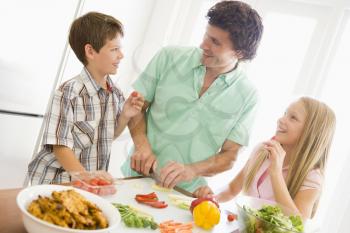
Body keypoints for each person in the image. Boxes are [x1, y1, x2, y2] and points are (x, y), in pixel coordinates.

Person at [121, 0, 264, 192]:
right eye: (207, 35)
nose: (203, 45)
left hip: (185, 196)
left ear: (239, 52)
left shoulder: (247, 96)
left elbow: (230, 155)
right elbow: (136, 108)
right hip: (135, 178)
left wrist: (192, 170)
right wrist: (141, 145)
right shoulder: (168, 57)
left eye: (215, 42)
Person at [25, 12, 144, 185]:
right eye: (114, 49)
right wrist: (86, 177)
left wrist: (125, 115)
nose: (121, 55)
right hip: (58, 181)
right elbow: (60, 146)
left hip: (87, 184)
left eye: (120, 49)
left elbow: (108, 136)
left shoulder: (115, 93)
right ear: (90, 51)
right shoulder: (69, 92)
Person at [194, 97, 336, 219]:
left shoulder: (312, 177)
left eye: (293, 117)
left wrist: (276, 172)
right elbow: (232, 189)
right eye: (285, 113)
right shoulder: (262, 151)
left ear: (311, 133)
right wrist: (213, 197)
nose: (281, 120)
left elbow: (297, 224)